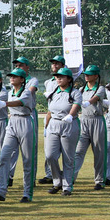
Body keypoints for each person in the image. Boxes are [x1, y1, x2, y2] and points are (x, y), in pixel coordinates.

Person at [0, 67, 37, 203]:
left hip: (25, 121)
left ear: (22, 79)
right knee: (4, 156)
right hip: (12, 121)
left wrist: (5, 104)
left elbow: (20, 102)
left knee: (27, 160)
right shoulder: (9, 92)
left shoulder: (26, 92)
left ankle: (27, 193)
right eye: (11, 76)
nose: (11, 78)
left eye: (15, 76)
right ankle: (0, 190)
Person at [43, 66, 82, 196]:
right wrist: (46, 125)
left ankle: (67, 186)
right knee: (50, 155)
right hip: (54, 124)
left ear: (69, 79)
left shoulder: (75, 92)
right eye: (57, 77)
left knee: (68, 157)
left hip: (69, 124)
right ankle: (57, 181)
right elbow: (50, 110)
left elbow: (76, 105)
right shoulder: (54, 92)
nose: (58, 79)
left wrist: (71, 115)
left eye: (61, 77)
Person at [73, 65, 108, 191]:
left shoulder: (100, 88)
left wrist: (89, 102)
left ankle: (99, 180)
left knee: (99, 152)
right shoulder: (81, 89)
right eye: (86, 74)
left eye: (89, 74)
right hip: (84, 121)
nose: (86, 76)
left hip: (97, 120)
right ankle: (71, 177)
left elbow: (96, 98)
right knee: (78, 151)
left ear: (96, 76)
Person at [38, 55, 66, 185]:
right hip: (50, 115)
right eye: (53, 64)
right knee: (49, 149)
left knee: (65, 149)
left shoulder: (67, 80)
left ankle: (66, 175)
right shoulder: (48, 83)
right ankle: (50, 174)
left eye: (57, 64)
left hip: (63, 118)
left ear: (62, 65)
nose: (54, 66)